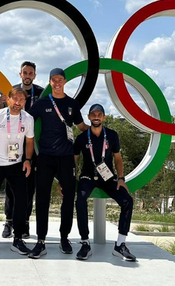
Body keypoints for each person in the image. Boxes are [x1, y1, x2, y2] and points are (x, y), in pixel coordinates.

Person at [27, 68, 89, 259]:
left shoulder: (72, 104)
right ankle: (41, 241)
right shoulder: (42, 103)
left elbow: (81, 127)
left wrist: (105, 132)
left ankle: (64, 237)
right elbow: (25, 120)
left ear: (64, 81)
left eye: (60, 79)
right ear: (49, 82)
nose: (57, 83)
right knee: (43, 199)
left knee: (68, 199)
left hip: (66, 158)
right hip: (45, 157)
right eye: (54, 80)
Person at [74, 103, 136, 261]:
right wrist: (70, 179)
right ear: (88, 117)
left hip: (107, 176)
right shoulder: (81, 138)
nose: (96, 117)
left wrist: (121, 178)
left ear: (104, 117)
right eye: (93, 114)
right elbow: (73, 160)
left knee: (127, 200)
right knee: (80, 199)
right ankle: (85, 243)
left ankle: (120, 244)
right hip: (88, 176)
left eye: (99, 114)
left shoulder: (112, 135)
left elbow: (118, 159)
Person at [0, 88, 34, 258]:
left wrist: (27, 160)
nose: (18, 102)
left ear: (25, 102)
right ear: (8, 99)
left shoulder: (28, 118)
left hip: (16, 164)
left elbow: (30, 141)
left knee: (22, 201)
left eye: (22, 100)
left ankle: (18, 239)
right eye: (15, 99)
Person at [0, 61, 44, 239]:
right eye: (24, 72)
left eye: (30, 73)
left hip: (33, 144)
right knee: (10, 184)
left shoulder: (41, 93)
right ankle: (9, 222)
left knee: (29, 186)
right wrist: (1, 103)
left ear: (34, 75)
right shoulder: (12, 91)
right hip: (13, 142)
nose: (27, 75)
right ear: (20, 74)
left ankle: (25, 223)